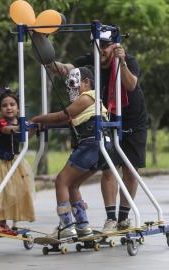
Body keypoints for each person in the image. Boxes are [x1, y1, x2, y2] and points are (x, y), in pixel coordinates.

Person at [52, 30, 148, 232]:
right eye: (97, 45)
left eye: (105, 45)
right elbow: (70, 68)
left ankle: (123, 217)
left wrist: (121, 63)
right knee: (109, 167)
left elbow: (131, 85)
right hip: (107, 118)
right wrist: (54, 65)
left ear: (116, 45)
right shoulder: (90, 59)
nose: (100, 50)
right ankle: (111, 218)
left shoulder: (128, 60)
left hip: (133, 120)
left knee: (130, 169)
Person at [31, 67, 109, 239]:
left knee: (61, 181)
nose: (71, 90)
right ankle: (83, 225)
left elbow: (62, 116)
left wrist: (36, 119)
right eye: (69, 87)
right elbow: (67, 119)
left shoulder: (88, 97)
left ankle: (66, 225)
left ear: (86, 82)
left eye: (74, 85)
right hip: (100, 147)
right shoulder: (92, 100)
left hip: (90, 144)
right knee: (72, 185)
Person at [0, 87, 36, 236]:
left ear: (18, 107)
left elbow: (24, 137)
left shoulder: (20, 121)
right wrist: (22, 127)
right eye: (5, 105)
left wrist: (34, 128)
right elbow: (8, 130)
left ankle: (2, 221)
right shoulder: (0, 123)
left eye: (12, 104)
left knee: (12, 191)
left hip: (13, 160)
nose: (9, 108)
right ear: (0, 109)